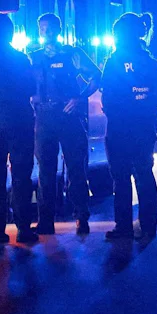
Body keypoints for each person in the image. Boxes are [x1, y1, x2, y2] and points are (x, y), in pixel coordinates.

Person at [30, 13, 100, 235]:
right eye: (43, 28)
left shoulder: (73, 54)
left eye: (50, 28)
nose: (46, 32)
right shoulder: (33, 57)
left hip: (68, 117)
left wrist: (80, 98)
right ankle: (45, 221)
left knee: (76, 168)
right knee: (45, 171)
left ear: (59, 30)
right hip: (44, 118)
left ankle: (81, 217)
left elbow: (96, 76)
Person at [101, 12, 157, 242]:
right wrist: (144, 104)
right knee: (143, 174)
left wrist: (118, 109)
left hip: (120, 127)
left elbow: (107, 93)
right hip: (144, 126)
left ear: (121, 35)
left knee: (121, 178)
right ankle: (148, 227)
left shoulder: (114, 61)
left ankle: (124, 227)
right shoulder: (148, 61)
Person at [0, 12, 37, 245]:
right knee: (21, 175)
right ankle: (23, 228)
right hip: (19, 121)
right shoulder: (21, 59)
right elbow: (31, 88)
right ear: (11, 34)